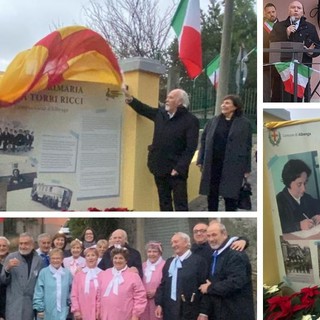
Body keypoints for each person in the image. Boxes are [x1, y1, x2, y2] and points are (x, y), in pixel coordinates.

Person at [123, 87, 199, 211]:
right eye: (167, 97)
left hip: (176, 171)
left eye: (171, 97)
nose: (166, 99)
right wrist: (130, 98)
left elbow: (190, 148)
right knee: (164, 203)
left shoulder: (190, 120)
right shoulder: (161, 114)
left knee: (180, 205)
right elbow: (144, 109)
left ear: (180, 102)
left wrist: (179, 168)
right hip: (159, 167)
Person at [197, 95, 252, 211]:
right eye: (223, 103)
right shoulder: (213, 121)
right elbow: (204, 140)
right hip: (213, 164)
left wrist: (247, 168)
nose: (223, 105)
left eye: (227, 103)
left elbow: (248, 147)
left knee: (230, 198)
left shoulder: (244, 124)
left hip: (233, 165)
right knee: (212, 195)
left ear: (235, 107)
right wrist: (200, 160)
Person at [198, 222, 255, 320]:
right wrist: (204, 312)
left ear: (224, 234)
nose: (211, 239)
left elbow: (235, 282)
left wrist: (210, 288)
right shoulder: (216, 254)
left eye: (214, 235)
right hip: (220, 312)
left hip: (236, 313)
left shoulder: (235, 254)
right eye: (208, 236)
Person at [270, 1, 320, 102]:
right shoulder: (279, 26)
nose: (296, 10)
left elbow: (318, 47)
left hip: (302, 70)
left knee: (301, 99)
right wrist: (286, 33)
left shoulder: (310, 28)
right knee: (280, 98)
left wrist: (311, 52)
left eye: (299, 8)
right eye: (293, 7)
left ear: (303, 12)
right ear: (289, 11)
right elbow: (272, 43)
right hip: (282, 70)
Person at [155, 232, 207, 320]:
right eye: (172, 243)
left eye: (176, 242)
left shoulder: (198, 261)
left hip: (190, 309)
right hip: (169, 310)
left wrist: (204, 312)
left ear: (186, 242)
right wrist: (159, 304)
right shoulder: (169, 262)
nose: (173, 245)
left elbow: (204, 287)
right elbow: (163, 284)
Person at [0, 232, 43, 320]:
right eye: (21, 243)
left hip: (30, 307)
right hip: (13, 306)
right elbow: (3, 281)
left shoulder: (39, 260)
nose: (23, 246)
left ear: (32, 244)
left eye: (26, 243)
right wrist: (7, 269)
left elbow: (41, 284)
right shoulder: (11, 257)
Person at [97, 247, 147, 320]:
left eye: (121, 258)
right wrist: (98, 310)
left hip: (125, 315)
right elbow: (99, 294)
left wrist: (136, 314)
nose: (117, 260)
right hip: (106, 315)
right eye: (115, 258)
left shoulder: (133, 275)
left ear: (126, 260)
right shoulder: (104, 274)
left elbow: (140, 297)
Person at [276, 159, 320, 233]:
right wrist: (299, 225)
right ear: (288, 182)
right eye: (299, 184)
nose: (304, 189)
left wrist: (318, 216)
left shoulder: (306, 197)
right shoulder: (279, 201)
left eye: (305, 183)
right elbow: (278, 227)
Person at [33, 248, 73, 320]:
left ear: (62, 259)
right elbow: (39, 291)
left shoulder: (67, 273)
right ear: (50, 259)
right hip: (47, 311)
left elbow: (71, 290)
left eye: (58, 258)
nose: (55, 260)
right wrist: (39, 309)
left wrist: (70, 304)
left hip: (63, 311)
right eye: (53, 258)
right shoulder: (44, 272)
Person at [71, 247, 102, 320]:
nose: (90, 258)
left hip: (98, 313)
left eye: (93, 255)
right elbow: (74, 294)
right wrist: (76, 310)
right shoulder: (79, 275)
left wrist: (100, 310)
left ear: (97, 257)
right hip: (82, 312)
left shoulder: (103, 274)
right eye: (88, 255)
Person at [140, 241, 166, 320]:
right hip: (144, 302)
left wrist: (156, 291)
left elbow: (168, 284)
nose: (151, 254)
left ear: (160, 253)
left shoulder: (165, 265)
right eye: (149, 251)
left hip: (158, 302)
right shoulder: (143, 266)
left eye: (155, 252)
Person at [263, 3, 278, 102]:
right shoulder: (261, 27)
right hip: (265, 63)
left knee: (277, 91)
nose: (271, 14)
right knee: (265, 91)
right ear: (265, 14)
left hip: (278, 64)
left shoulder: (282, 26)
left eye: (273, 12)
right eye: (268, 12)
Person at [0, 236, 10, 320]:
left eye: (4, 246)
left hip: (11, 303)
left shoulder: (14, 261)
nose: (2, 248)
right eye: (0, 245)